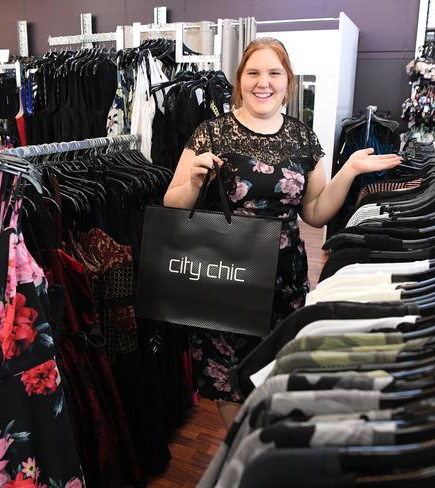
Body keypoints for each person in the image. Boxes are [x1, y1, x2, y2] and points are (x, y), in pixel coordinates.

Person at [163, 37, 402, 428]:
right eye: (253, 73)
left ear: (287, 83)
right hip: (226, 274)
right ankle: (240, 447)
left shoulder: (303, 138)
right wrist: (193, 180)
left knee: (277, 370)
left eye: (274, 73)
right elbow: (173, 203)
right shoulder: (211, 132)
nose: (264, 82)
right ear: (240, 81)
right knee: (229, 377)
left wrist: (350, 171)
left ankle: (261, 446)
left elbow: (315, 214)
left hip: (285, 279)